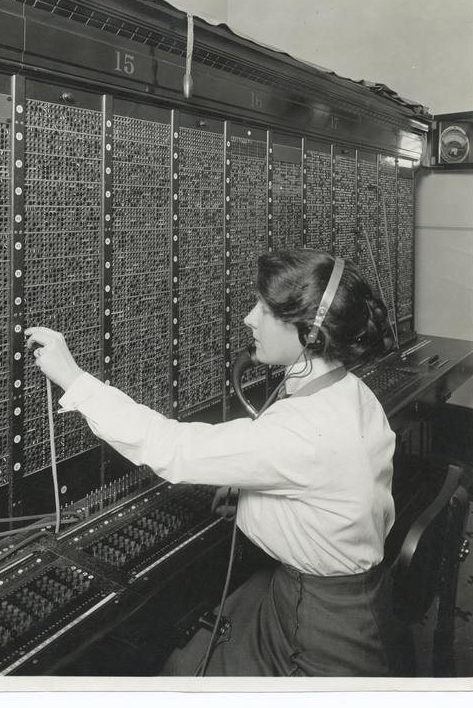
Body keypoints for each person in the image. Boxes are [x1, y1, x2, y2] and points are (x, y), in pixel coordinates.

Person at [25, 248, 412, 677]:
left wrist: (73, 378)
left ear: (310, 332)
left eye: (264, 310)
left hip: (324, 629)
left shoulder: (304, 431)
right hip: (332, 596)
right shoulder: (349, 391)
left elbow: (168, 447)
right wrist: (249, 494)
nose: (249, 318)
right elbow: (318, 487)